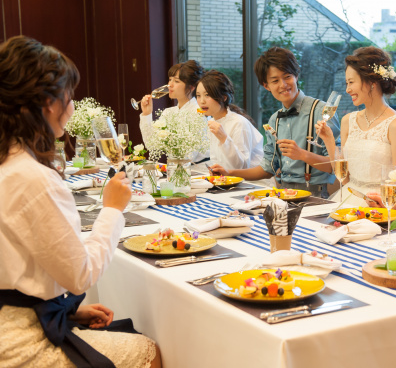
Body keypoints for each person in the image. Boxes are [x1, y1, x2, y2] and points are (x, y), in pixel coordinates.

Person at [0, 35, 161, 367]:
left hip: (15, 314)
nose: (71, 108)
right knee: (148, 350)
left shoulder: (8, 163)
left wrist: (68, 310)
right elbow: (81, 274)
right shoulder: (31, 177)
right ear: (48, 103)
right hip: (16, 342)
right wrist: (112, 209)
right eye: (69, 97)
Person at [210, 47, 340, 198]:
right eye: (275, 81)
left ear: (296, 76)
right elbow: (267, 169)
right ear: (266, 85)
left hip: (314, 196)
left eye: (287, 77)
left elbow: (336, 165)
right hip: (281, 195)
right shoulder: (274, 120)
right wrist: (230, 173)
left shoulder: (321, 111)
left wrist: (303, 155)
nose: (283, 85)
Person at [316, 46, 396, 206]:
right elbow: (344, 178)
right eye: (346, 83)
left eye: (351, 82)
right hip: (351, 198)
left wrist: (381, 206)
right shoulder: (348, 120)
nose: (347, 89)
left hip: (382, 203)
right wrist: (329, 140)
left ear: (372, 82)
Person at [139, 60, 206, 163]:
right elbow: (152, 145)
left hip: (197, 170)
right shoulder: (168, 112)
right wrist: (147, 114)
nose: (170, 85)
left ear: (191, 87)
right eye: (170, 80)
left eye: (176, 81)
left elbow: (189, 156)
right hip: (175, 168)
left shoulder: (199, 112)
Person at [197, 70, 264, 169]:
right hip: (225, 180)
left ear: (223, 97)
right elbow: (217, 160)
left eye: (207, 95)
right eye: (198, 95)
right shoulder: (212, 121)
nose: (202, 101)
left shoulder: (239, 123)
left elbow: (242, 166)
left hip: (251, 182)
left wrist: (224, 138)